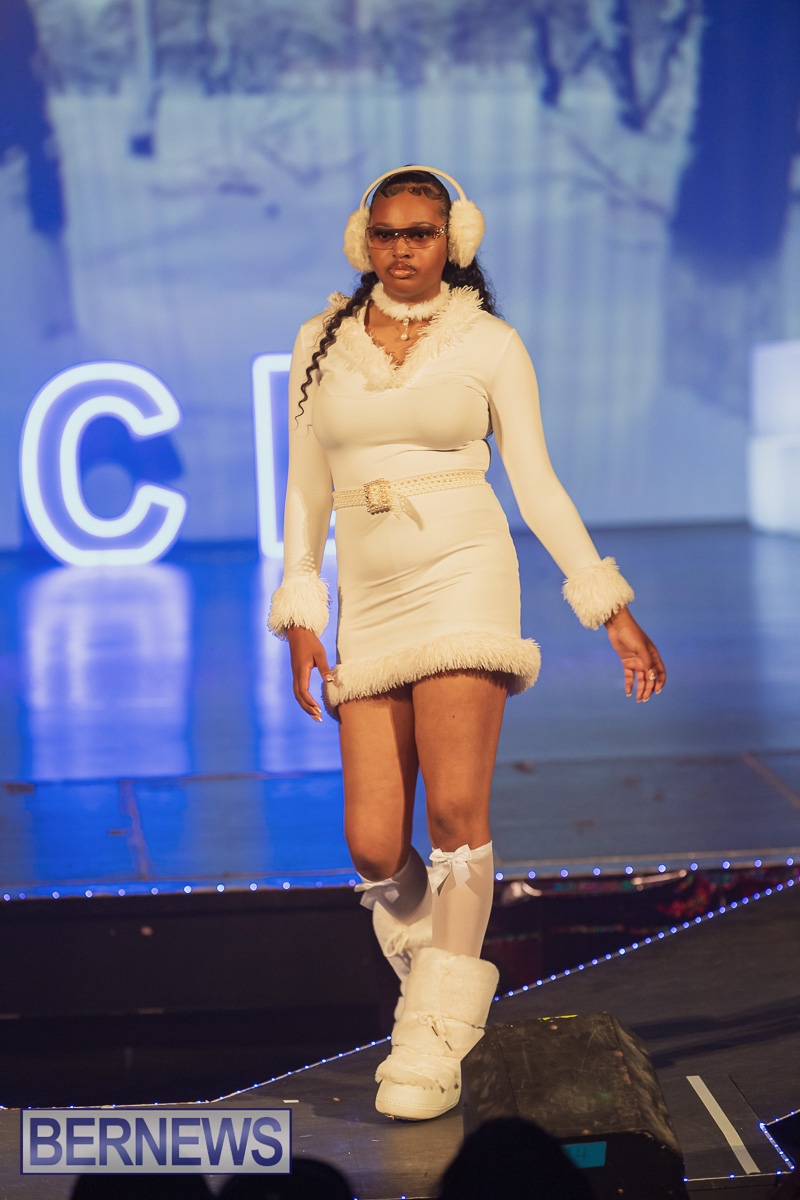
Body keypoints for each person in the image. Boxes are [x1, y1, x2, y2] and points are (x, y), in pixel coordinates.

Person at [268, 166, 666, 1123]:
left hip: (464, 570)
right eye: (388, 233)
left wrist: (607, 605)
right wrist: (301, 609)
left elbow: (536, 482)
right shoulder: (321, 341)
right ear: (363, 239)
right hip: (369, 593)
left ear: (455, 240)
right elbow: (305, 490)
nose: (403, 249)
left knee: (453, 808)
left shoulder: (489, 343)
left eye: (422, 233)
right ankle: (444, 967)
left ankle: (434, 1035)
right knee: (373, 842)